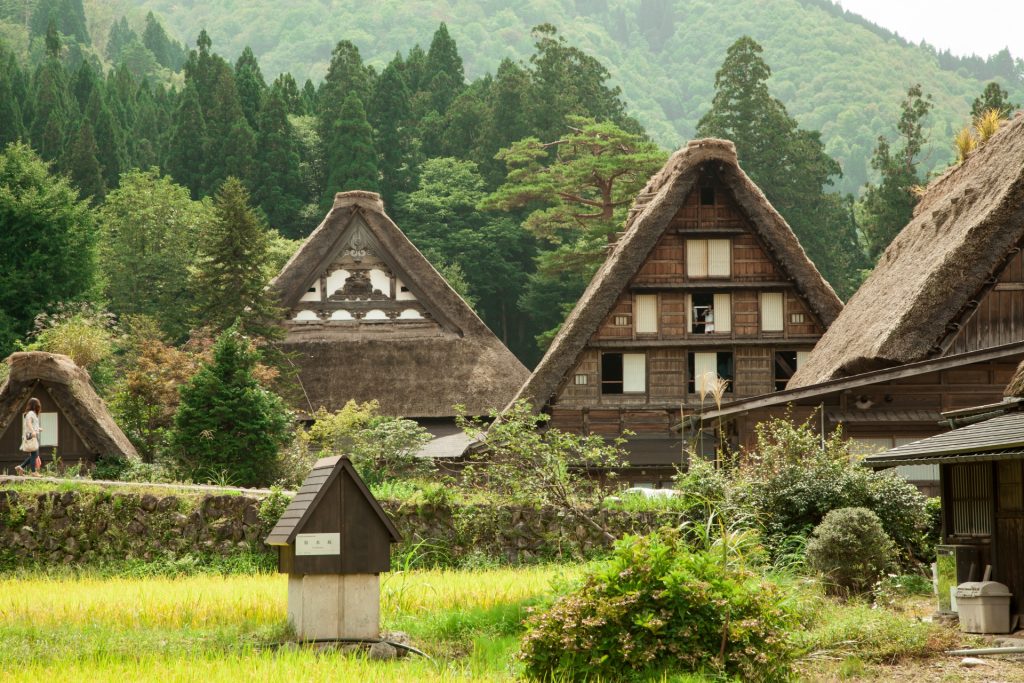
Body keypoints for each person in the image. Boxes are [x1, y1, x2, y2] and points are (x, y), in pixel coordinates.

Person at [15, 398, 42, 477]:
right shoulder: (30, 413)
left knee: (34, 454)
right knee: (35, 454)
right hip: (31, 436)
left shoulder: (30, 413)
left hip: (31, 435)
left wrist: (37, 429)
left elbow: (31, 425)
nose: (39, 406)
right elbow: (29, 423)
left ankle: (21, 467)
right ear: (34, 405)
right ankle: (33, 472)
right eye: (38, 404)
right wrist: (33, 431)